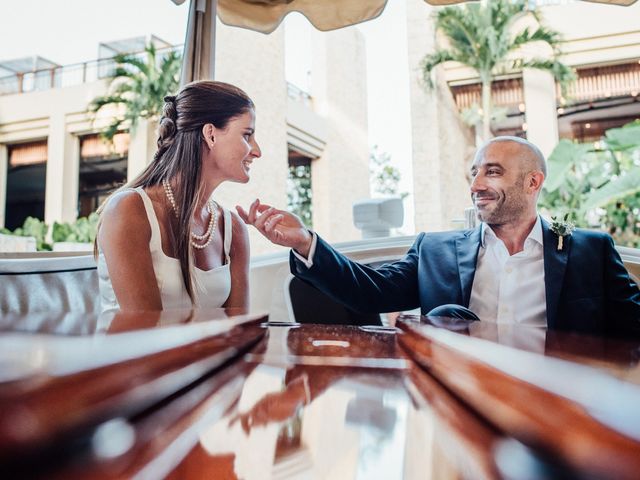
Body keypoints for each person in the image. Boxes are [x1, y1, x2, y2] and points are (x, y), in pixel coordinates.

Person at [237, 136, 640, 337]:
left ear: (533, 182)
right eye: (475, 173)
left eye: (493, 172)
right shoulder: (435, 250)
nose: (477, 185)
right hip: (456, 402)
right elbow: (368, 292)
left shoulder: (591, 252)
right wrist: (305, 241)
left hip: (558, 410)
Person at [97, 81, 261, 312]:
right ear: (210, 135)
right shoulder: (129, 210)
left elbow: (239, 331)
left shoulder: (233, 228)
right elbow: (145, 331)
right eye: (247, 135)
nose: (257, 151)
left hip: (211, 349)